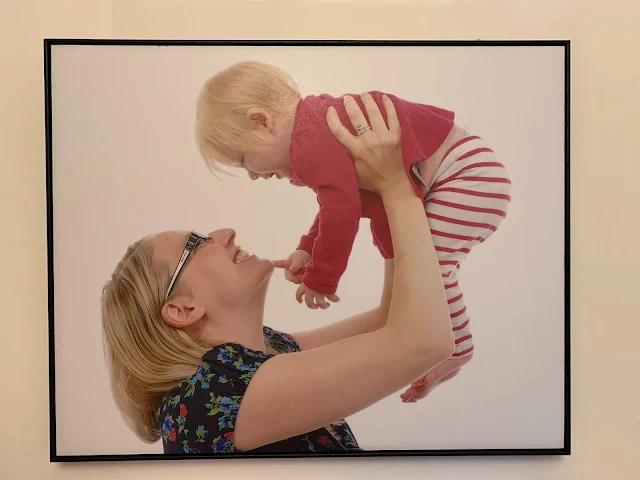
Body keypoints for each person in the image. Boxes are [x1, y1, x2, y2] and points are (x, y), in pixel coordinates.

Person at [101, 96, 454, 454]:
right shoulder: (209, 395)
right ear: (181, 309)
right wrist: (396, 186)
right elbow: (424, 341)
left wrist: (380, 190)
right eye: (197, 243)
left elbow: (393, 318)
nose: (225, 232)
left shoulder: (268, 351)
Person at [193, 61, 511, 399]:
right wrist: (308, 248)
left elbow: (341, 213)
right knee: (421, 268)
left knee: (431, 265)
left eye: (243, 160)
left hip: (466, 175)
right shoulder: (313, 131)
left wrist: (321, 279)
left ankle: (457, 346)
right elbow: (338, 202)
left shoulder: (309, 143)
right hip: (466, 170)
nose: (253, 175)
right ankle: (450, 342)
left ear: (262, 122)